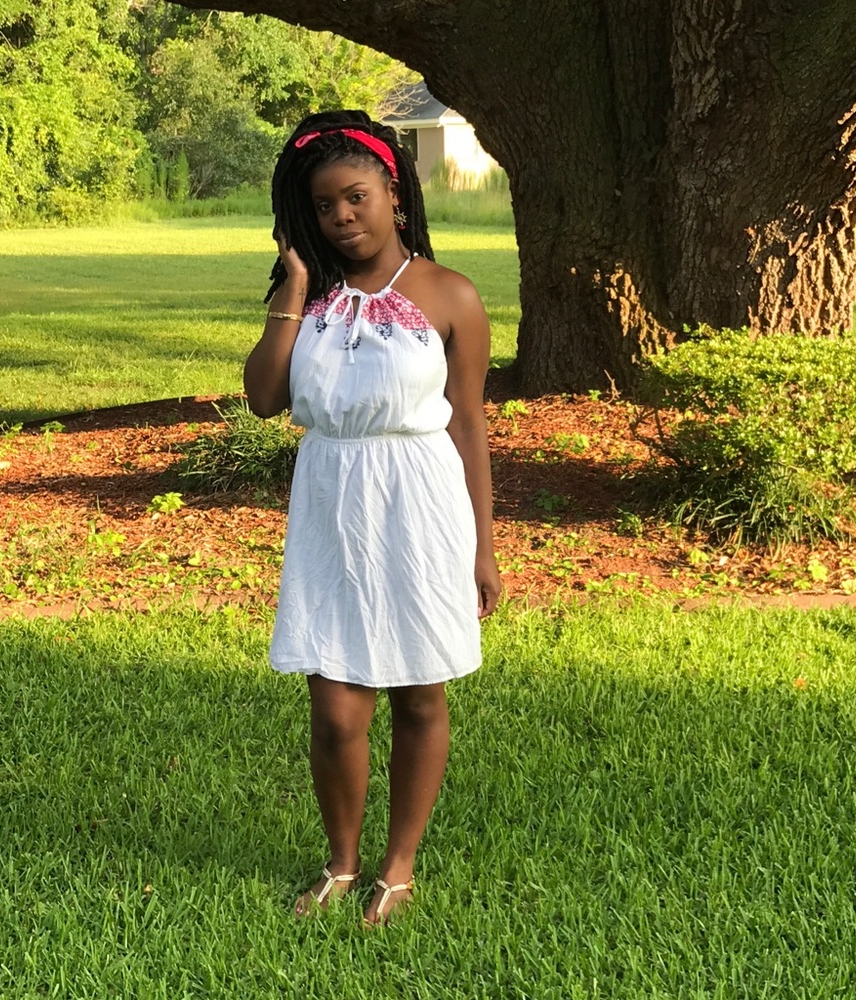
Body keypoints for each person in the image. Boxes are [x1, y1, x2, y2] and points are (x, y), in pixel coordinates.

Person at [243, 109, 501, 926]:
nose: (341, 217)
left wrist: (483, 547)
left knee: (420, 693)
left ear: (393, 191)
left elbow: (467, 423)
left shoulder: (449, 294)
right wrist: (290, 290)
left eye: (355, 197)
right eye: (323, 207)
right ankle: (343, 861)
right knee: (336, 708)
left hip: (421, 500)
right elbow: (263, 398)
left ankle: (398, 865)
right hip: (331, 501)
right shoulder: (311, 296)